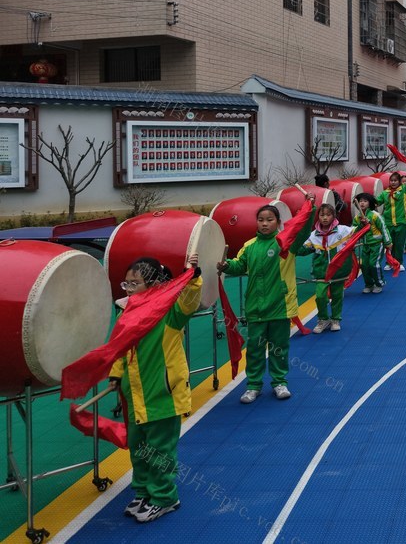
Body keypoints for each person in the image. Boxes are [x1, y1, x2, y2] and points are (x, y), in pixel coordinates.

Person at [110, 253, 201, 523]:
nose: (127, 288)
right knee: (139, 449)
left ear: (154, 284)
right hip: (136, 396)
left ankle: (164, 497)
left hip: (162, 396)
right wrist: (116, 375)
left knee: (160, 451)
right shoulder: (126, 312)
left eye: (134, 283)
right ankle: (144, 492)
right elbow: (118, 346)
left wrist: (193, 277)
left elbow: (189, 301)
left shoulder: (170, 314)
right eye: (126, 283)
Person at [217, 198, 314, 404]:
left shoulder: (286, 242)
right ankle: (253, 385)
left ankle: (279, 382)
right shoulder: (249, 246)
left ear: (278, 222)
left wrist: (310, 209)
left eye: (269, 219)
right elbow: (239, 266)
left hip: (280, 306)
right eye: (260, 219)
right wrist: (226, 266)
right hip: (255, 308)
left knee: (279, 347)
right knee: (255, 349)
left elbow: (304, 231)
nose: (264, 223)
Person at [298, 203, 353, 333]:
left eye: (328, 215)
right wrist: (293, 242)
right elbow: (302, 250)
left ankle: (335, 319)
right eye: (322, 215)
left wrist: (364, 223)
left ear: (334, 216)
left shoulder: (343, 230)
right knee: (320, 296)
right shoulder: (313, 235)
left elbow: (359, 232)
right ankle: (323, 319)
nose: (325, 218)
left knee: (337, 295)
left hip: (338, 271)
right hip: (321, 272)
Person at [375, 167, 406, 270]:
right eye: (391, 180)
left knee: (399, 245)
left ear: (399, 181)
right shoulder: (385, 193)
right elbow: (376, 202)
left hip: (402, 222)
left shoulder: (405, 190)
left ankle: (399, 263)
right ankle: (389, 262)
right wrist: (364, 200)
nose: (393, 182)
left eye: (395, 180)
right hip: (388, 223)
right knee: (389, 245)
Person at [353, 192, 392, 293]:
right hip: (365, 245)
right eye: (360, 201)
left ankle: (379, 283)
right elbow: (354, 231)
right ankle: (369, 284)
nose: (362, 203)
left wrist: (388, 242)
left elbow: (384, 228)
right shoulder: (357, 218)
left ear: (370, 203)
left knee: (373, 264)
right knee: (364, 265)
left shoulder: (375, 215)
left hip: (377, 244)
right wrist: (361, 225)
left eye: (365, 201)